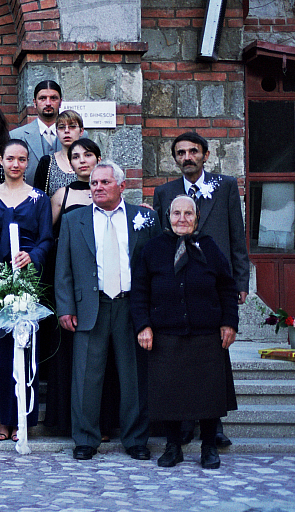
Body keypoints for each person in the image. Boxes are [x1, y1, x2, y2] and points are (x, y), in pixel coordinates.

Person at [55, 161, 161, 461]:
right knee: (86, 377)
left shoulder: (145, 218)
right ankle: (86, 439)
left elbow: (154, 267)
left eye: (104, 182)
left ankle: (136, 439)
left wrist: (151, 313)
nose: (98, 187)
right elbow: (63, 267)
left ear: (121, 186)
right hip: (91, 306)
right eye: (94, 184)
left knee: (134, 377)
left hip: (132, 306)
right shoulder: (73, 219)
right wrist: (65, 307)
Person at [153, 131, 248, 448]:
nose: (187, 157)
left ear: (206, 155)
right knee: (179, 358)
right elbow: (160, 240)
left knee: (213, 357)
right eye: (181, 153)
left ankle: (214, 423)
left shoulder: (226, 186)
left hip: (212, 286)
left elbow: (237, 236)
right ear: (175, 158)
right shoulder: (165, 192)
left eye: (193, 151)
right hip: (177, 288)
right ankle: (182, 421)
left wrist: (241, 282)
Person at [132, 195, 238, 469]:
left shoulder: (210, 247)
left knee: (209, 393)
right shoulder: (153, 248)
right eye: (176, 213)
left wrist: (229, 322)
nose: (182, 219)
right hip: (166, 333)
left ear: (197, 217)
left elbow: (227, 287)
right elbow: (140, 291)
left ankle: (208, 447)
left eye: (188, 214)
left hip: (206, 334)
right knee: (169, 393)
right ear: (168, 216)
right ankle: (172, 446)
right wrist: (143, 325)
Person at [43, 139, 118, 437]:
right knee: (73, 359)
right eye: (76, 157)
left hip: (108, 285)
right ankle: (69, 422)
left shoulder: (112, 193)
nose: (82, 160)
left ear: (99, 158)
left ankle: (107, 421)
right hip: (74, 284)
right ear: (69, 163)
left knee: (106, 359)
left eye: (88, 155)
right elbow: (49, 239)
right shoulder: (62, 194)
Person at [0, 139, 53, 441]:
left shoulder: (39, 199)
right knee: (0, 351)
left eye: (22, 159)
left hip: (27, 278)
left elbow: (47, 239)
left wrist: (32, 256)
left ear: (27, 163)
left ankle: (22, 416)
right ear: (1, 160)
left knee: (26, 346)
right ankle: (1, 418)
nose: (15, 164)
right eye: (10, 158)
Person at [9, 80, 63, 186]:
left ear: (60, 102)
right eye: (42, 98)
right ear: (34, 102)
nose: (48, 103)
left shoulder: (77, 136)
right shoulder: (17, 136)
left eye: (53, 98)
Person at [33, 110, 83, 195]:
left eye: (72, 126)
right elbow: (38, 199)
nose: (66, 131)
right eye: (61, 127)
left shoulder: (89, 161)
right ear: (56, 132)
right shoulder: (47, 162)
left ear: (81, 131)